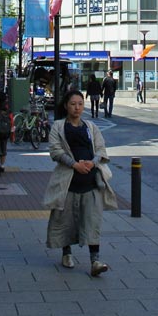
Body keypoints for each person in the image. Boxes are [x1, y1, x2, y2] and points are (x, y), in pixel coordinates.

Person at [44, 90, 117, 276]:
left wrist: (91, 162)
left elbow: (101, 149)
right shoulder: (58, 127)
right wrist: (75, 164)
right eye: (73, 104)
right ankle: (66, 253)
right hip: (67, 181)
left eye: (80, 104)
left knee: (92, 220)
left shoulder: (90, 127)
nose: (77, 107)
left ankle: (95, 261)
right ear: (66, 106)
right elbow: (55, 151)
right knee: (65, 220)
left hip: (91, 180)